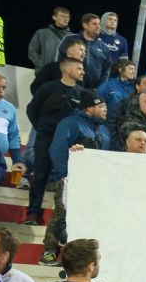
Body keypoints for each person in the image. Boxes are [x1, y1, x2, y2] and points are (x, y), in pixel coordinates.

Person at [41, 90, 112, 265]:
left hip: (94, 182)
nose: (106, 109)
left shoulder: (104, 129)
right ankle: (49, 252)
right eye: (101, 106)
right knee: (61, 215)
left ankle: (75, 257)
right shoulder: (70, 123)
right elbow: (57, 149)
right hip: (69, 179)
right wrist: (66, 174)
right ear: (89, 108)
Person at [25, 56, 84, 226]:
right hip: (46, 138)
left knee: (67, 178)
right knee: (40, 175)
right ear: (66, 70)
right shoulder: (47, 88)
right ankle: (33, 214)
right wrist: (41, 127)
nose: (83, 71)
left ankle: (66, 220)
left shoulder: (82, 93)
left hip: (69, 144)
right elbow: (31, 110)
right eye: (79, 68)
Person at [0, 72, 26, 186]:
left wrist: (17, 160)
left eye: (3, 87)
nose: (1, 90)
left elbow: (13, 136)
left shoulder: (10, 108)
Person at [27, 6, 71, 70]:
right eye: (62, 16)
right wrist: (42, 66)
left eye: (67, 17)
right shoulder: (41, 33)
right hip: (44, 72)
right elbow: (32, 51)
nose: (66, 19)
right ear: (54, 17)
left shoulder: (72, 37)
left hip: (64, 73)